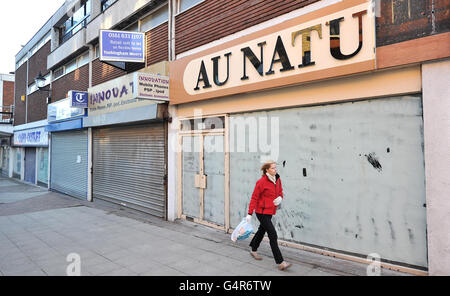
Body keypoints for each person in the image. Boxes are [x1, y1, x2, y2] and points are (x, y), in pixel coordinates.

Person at [246, 160, 292, 271]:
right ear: (267, 170)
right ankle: (280, 262)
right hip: (261, 212)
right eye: (272, 168)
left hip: (270, 211)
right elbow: (254, 198)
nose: (275, 170)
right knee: (272, 233)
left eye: (275, 168)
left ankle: (253, 248)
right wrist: (249, 213)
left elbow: (280, 191)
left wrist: (280, 198)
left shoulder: (277, 179)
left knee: (262, 230)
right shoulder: (261, 182)